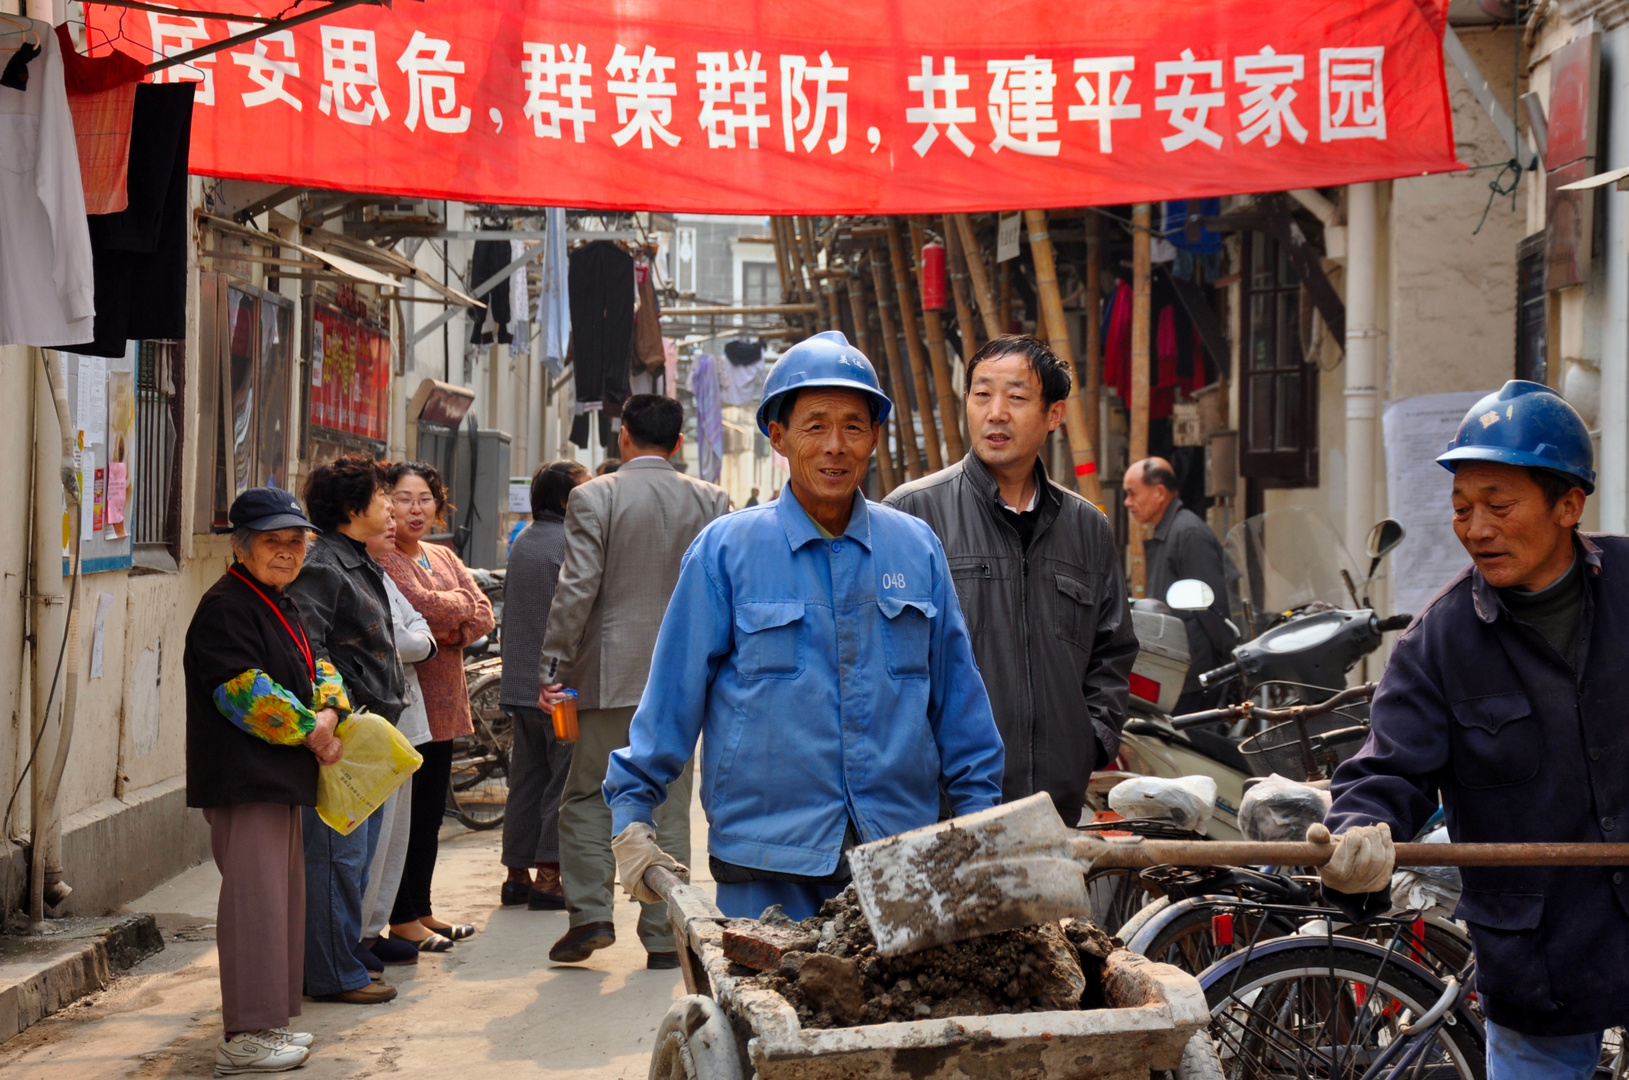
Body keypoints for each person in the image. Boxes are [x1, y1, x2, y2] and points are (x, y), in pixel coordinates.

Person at [604, 331, 1005, 923]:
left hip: (898, 857)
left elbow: (961, 705)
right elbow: (671, 696)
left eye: (853, 426)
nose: (835, 446)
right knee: (765, 1014)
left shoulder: (914, 549)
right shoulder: (726, 552)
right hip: (766, 859)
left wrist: (980, 823)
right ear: (779, 437)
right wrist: (633, 813)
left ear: (873, 437)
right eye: (815, 425)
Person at [1315, 381, 1623, 1079]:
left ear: (1568, 504)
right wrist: (1359, 834)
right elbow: (1385, 769)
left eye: (1497, 505)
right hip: (1541, 954)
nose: (1475, 528)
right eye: (1460, 509)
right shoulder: (1441, 641)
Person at [886, 335, 1136, 826]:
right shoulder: (911, 514)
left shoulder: (1087, 527)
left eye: (1017, 397)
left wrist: (1089, 742)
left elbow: (1112, 651)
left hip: (1052, 808)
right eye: (982, 395)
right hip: (939, 809)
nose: (996, 412)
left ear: (1054, 414)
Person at [538, 394, 731, 968]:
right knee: (669, 800)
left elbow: (577, 590)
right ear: (678, 444)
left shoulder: (594, 496)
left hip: (607, 676)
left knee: (588, 795)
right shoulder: (711, 500)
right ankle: (664, 932)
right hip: (684, 680)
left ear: (623, 438)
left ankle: (592, 914)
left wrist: (554, 664)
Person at [185, 489, 343, 1073]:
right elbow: (242, 692)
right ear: (241, 546)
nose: (286, 553)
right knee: (254, 905)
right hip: (245, 778)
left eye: (295, 542)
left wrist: (329, 711)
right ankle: (245, 1033)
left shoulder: (279, 600)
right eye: (272, 542)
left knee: (280, 903)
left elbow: (319, 666)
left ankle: (268, 1024)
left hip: (280, 778)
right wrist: (314, 730)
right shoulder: (227, 605)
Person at [284, 454, 405, 1006]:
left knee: (351, 859)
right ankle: (334, 975)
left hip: (364, 740)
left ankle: (339, 961)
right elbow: (309, 651)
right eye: (383, 496)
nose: (392, 507)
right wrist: (339, 710)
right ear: (354, 508)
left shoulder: (357, 560)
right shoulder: (325, 566)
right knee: (337, 858)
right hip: (342, 739)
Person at [377, 462, 495, 951]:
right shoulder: (383, 559)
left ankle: (422, 909)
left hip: (445, 702)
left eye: (425, 498)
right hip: (408, 704)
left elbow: (481, 612)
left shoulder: (441, 554)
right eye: (404, 499)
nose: (416, 509)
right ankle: (399, 914)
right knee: (404, 815)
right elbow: (423, 607)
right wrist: (449, 616)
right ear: (386, 504)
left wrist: (447, 626)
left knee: (430, 815)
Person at [498, 460, 589, 910]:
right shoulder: (570, 544)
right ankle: (550, 877)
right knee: (563, 779)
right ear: (563, 500)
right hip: (559, 691)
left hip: (520, 687)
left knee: (526, 779)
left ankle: (516, 873)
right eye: (584, 491)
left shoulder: (526, 541)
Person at [360, 506, 438, 967]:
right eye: (383, 508)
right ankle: (358, 934)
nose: (394, 519)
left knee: (397, 833)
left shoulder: (378, 572)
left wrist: (420, 639)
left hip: (405, 715)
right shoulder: (342, 571)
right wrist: (420, 640)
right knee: (373, 834)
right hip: (375, 718)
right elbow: (397, 639)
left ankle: (373, 929)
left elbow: (418, 625)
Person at [1122, 456, 1236, 713]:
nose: (1127, 502)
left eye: (1132, 493)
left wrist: (1231, 668)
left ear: (1159, 492)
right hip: (1174, 674)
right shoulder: (1169, 531)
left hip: (1195, 680)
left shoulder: (1188, 533)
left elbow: (1213, 609)